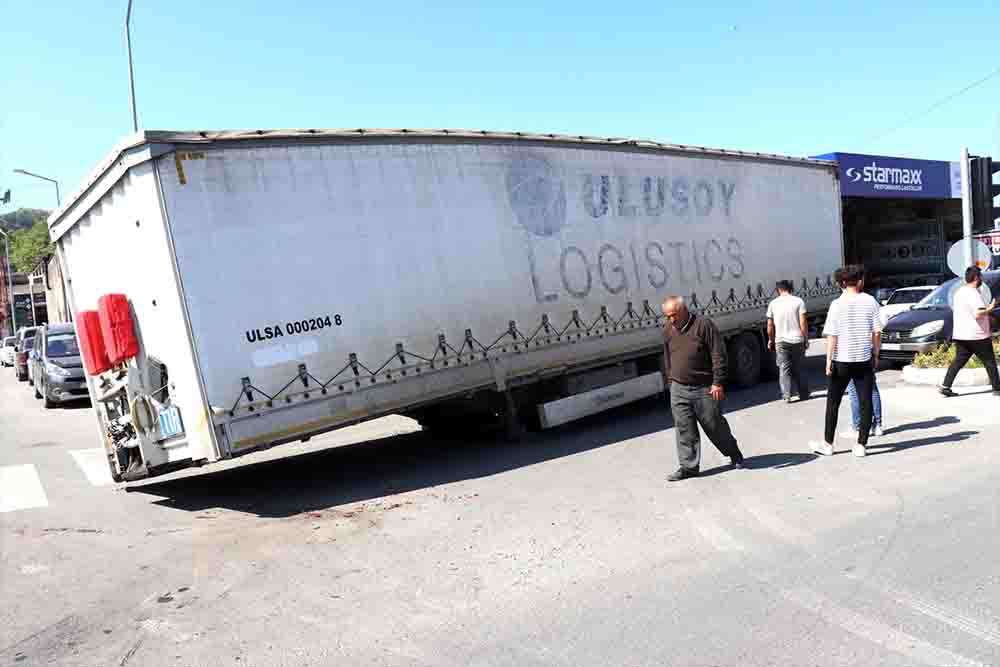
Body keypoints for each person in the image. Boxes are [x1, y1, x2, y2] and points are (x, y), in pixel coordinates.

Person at [661, 296, 745, 481]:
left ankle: (733, 452)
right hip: (679, 388)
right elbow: (667, 357)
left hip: (704, 388)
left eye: (673, 315)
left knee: (714, 425)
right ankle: (688, 467)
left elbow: (718, 354)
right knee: (684, 428)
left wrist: (718, 382)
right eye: (667, 316)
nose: (671, 320)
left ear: (683, 310)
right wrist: (671, 380)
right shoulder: (668, 330)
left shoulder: (703, 325)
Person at [810, 265, 882, 458]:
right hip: (863, 360)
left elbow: (832, 335)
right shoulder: (870, 301)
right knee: (866, 402)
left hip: (841, 360)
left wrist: (828, 360)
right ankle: (861, 445)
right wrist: (876, 354)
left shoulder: (836, 304)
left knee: (833, 403)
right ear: (860, 281)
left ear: (841, 283)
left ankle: (828, 444)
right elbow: (877, 332)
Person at [940, 266, 1000, 397]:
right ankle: (997, 388)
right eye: (981, 277)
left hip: (962, 335)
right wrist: (991, 308)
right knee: (989, 361)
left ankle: (945, 386)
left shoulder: (959, 292)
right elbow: (978, 313)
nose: (982, 280)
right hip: (977, 335)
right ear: (976, 277)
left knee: (958, 361)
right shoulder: (973, 293)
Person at [766, 280, 810, 402]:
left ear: (778, 290)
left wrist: (771, 340)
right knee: (799, 367)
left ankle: (787, 395)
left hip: (781, 341)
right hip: (797, 340)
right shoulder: (798, 301)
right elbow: (803, 323)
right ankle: (803, 394)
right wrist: (806, 339)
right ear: (790, 288)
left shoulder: (773, 304)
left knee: (784, 368)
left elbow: (769, 325)